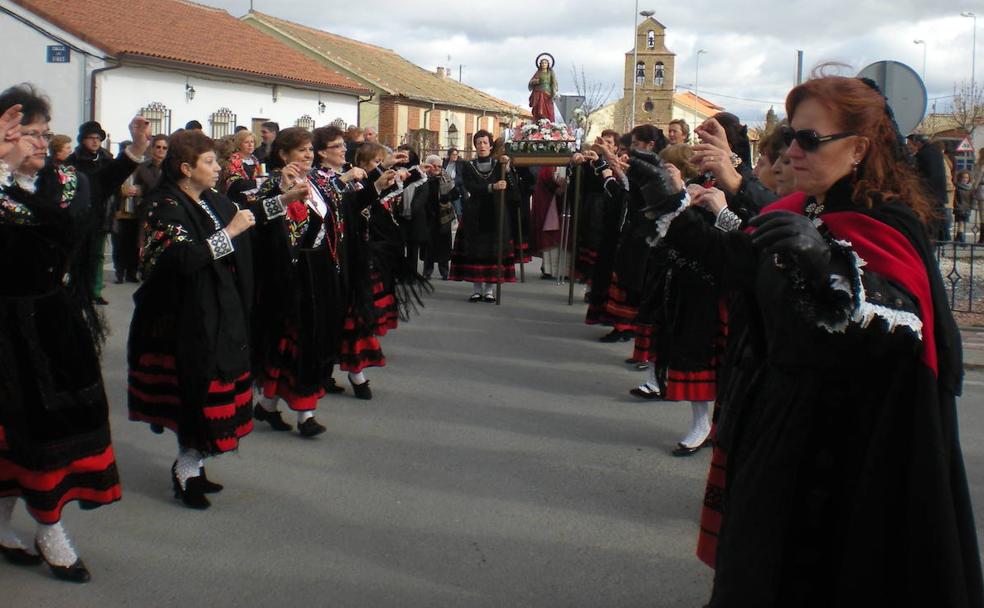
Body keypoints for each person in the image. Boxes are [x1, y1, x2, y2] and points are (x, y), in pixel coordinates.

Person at [652, 74, 982, 605]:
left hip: (849, 444)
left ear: (859, 149)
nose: (793, 150)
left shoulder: (884, 222)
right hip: (779, 421)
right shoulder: (801, 211)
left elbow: (900, 324)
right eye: (791, 134)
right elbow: (739, 267)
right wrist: (669, 206)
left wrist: (830, 269)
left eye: (811, 139)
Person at [0, 85, 148, 583]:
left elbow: (84, 202)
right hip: (3, 324)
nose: (41, 142)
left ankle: (49, 525)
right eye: (28, 133)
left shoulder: (62, 181)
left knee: (57, 424)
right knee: (10, 429)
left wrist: (132, 154)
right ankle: (14, 524)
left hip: (52, 320)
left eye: (45, 132)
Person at [127, 129, 258, 510]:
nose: (218, 168)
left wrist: (286, 199)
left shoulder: (208, 198)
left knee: (212, 387)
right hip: (182, 318)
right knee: (196, 391)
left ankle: (192, 465)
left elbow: (245, 217)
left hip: (213, 311)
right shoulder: (164, 204)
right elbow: (181, 259)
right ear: (186, 168)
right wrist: (229, 234)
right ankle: (186, 468)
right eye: (210, 162)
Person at [449, 130, 519, 302]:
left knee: (492, 252)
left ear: (490, 145)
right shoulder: (468, 166)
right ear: (475, 146)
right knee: (476, 251)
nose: (482, 146)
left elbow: (512, 186)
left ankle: (489, 290)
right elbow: (470, 186)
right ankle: (476, 289)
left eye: (485, 143)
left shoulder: (498, 164)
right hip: (475, 213)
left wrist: (508, 168)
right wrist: (492, 187)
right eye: (478, 143)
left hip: (495, 212)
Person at [66, 120, 114, 305]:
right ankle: (77, 288)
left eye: (98, 138)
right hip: (81, 215)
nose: (95, 142)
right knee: (79, 253)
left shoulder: (107, 159)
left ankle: (95, 290)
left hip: (102, 214)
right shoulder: (73, 160)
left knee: (97, 254)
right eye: (91, 138)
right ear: (83, 140)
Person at [421, 154, 458, 279]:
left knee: (444, 245)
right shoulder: (423, 178)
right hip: (428, 216)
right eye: (433, 166)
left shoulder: (446, 177)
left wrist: (447, 196)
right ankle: (427, 271)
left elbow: (456, 194)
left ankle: (444, 271)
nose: (437, 168)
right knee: (429, 245)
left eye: (439, 166)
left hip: (444, 216)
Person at [907, 132, 948, 240]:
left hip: (929, 193)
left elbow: (918, 172)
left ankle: (933, 239)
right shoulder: (936, 152)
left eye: (914, 144)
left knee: (931, 220)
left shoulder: (923, 154)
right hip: (939, 193)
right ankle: (940, 237)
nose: (914, 147)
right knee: (938, 218)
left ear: (919, 143)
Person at [222, 129, 260, 206]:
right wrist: (258, 182)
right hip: (237, 201)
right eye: (246, 142)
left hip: (254, 201)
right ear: (239, 144)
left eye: (252, 142)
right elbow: (235, 184)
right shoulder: (232, 161)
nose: (250, 145)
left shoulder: (255, 161)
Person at [528, 55, 558, 122]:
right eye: (542, 63)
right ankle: (538, 122)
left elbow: (554, 83)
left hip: (547, 93)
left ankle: (548, 123)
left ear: (548, 64)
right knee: (538, 109)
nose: (544, 64)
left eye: (545, 63)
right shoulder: (538, 73)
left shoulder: (550, 73)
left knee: (548, 109)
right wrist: (534, 82)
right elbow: (531, 82)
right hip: (538, 93)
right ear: (540, 64)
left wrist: (554, 91)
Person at [443, 147, 465, 219]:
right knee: (446, 210)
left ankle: (460, 225)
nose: (455, 156)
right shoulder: (445, 162)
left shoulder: (460, 163)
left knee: (458, 210)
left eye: (456, 154)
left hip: (456, 189)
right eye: (453, 154)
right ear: (449, 155)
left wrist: (453, 182)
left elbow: (461, 177)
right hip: (445, 189)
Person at [956, 170, 974, 242]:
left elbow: (972, 199)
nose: (965, 179)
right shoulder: (957, 187)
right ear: (960, 178)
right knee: (961, 223)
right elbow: (956, 199)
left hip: (966, 208)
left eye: (966, 177)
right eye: (963, 177)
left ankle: (959, 238)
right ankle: (960, 239)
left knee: (962, 224)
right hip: (959, 208)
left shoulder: (970, 188)